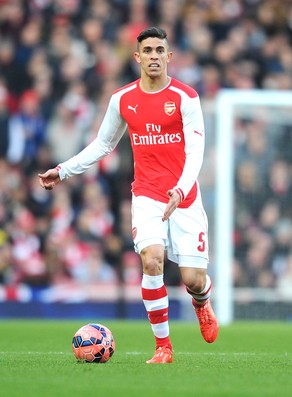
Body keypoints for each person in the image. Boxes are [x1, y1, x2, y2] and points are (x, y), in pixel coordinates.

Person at [38, 26, 219, 364]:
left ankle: (201, 302)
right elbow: (103, 144)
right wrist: (63, 170)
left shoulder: (185, 97)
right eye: (147, 50)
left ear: (169, 56)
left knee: (193, 280)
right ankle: (163, 348)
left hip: (185, 195)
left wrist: (180, 189)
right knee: (152, 260)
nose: (153, 56)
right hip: (148, 194)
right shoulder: (122, 99)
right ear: (137, 57)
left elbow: (197, 152)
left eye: (159, 50)